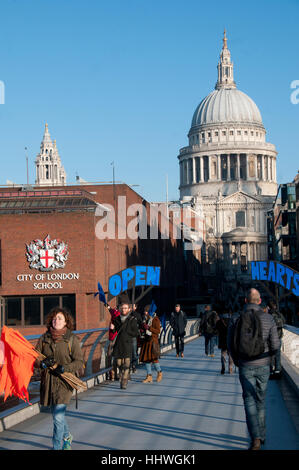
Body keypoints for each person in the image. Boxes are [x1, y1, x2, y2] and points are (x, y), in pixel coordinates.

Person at [227, 288, 280, 450]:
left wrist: (237, 361)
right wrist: (270, 360)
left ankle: (255, 436)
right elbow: (276, 345)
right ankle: (262, 434)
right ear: (259, 301)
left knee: (248, 400)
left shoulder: (236, 318)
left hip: (245, 365)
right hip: (263, 364)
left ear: (245, 301)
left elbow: (230, 344)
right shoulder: (268, 318)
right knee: (260, 400)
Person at [35, 306, 84, 450]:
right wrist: (42, 363)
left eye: (60, 318)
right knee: (58, 416)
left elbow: (79, 361)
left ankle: (57, 447)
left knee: (57, 417)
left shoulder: (71, 339)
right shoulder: (44, 338)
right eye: (54, 318)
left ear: (66, 322)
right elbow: (35, 356)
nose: (56, 321)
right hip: (49, 382)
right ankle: (67, 435)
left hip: (65, 382)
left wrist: (64, 368)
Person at [105, 302, 138, 390]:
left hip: (127, 344)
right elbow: (114, 332)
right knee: (119, 363)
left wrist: (127, 333)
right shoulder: (117, 319)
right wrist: (112, 329)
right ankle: (122, 372)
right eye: (122, 308)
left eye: (125, 308)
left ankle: (124, 381)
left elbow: (136, 333)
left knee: (127, 364)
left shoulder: (132, 319)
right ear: (120, 309)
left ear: (129, 309)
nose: (123, 310)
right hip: (119, 344)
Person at [139, 304, 163, 383]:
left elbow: (158, 331)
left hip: (153, 342)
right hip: (146, 341)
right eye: (145, 311)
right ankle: (149, 376)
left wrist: (149, 328)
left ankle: (159, 372)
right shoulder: (146, 319)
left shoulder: (156, 319)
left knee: (154, 359)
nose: (145, 313)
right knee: (146, 359)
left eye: (146, 311)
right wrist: (142, 329)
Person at [268, 300, 285, 379]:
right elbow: (283, 322)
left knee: (271, 355)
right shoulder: (276, 314)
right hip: (277, 336)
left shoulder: (267, 314)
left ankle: (271, 372)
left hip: (270, 337)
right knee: (277, 355)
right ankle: (277, 372)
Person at [130, 303, 143, 373]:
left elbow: (141, 324)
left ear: (135, 307)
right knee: (128, 352)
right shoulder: (127, 315)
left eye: (133, 306)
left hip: (134, 336)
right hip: (127, 336)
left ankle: (133, 365)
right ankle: (129, 366)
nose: (131, 307)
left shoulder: (137, 315)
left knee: (134, 352)